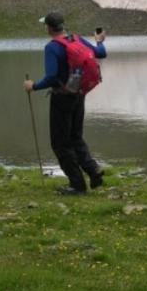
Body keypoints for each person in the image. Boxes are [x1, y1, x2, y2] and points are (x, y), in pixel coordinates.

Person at [23, 12, 107, 195]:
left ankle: (77, 185)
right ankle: (93, 171)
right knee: (76, 137)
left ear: (49, 28)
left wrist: (33, 86)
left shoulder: (52, 47)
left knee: (60, 143)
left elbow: (52, 77)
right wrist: (99, 40)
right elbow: (101, 53)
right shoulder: (75, 39)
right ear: (62, 25)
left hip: (62, 98)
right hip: (79, 95)